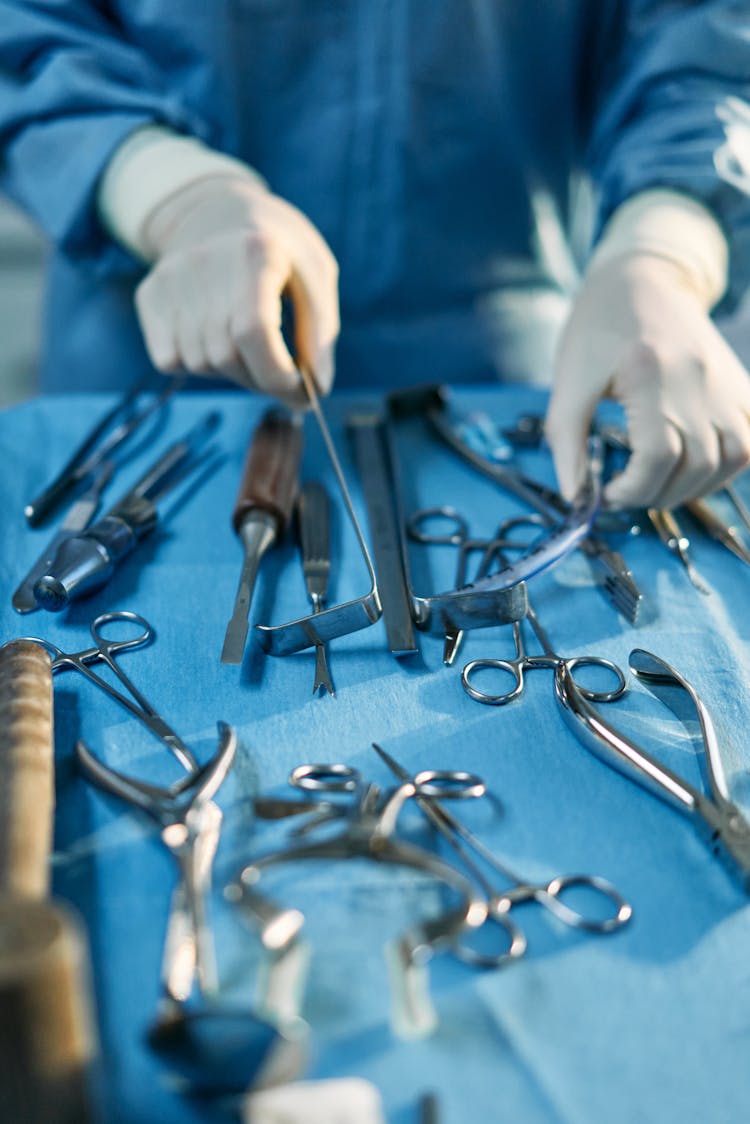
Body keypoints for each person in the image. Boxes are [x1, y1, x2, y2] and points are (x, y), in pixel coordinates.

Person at [0, 1, 749, 510]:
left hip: (501, 386)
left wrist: (664, 247)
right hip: (157, 381)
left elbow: (704, 41)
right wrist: (171, 194)